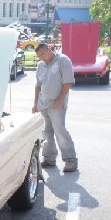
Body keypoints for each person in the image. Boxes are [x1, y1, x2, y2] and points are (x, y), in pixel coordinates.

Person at [32, 43, 78, 173]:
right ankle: (49, 158)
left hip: (56, 103)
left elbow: (68, 82)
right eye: (39, 56)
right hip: (43, 104)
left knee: (60, 131)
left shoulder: (63, 60)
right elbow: (38, 86)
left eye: (43, 54)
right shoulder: (41, 65)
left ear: (50, 49)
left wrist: (60, 100)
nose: (41, 57)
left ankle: (70, 160)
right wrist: (35, 104)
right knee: (46, 132)